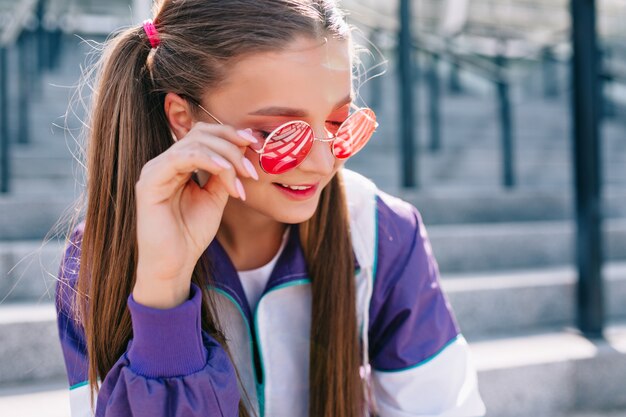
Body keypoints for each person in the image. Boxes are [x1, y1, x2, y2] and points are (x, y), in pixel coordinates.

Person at [54, 0, 486, 416]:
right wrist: (163, 290)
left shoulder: (381, 230)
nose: (322, 163)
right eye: (281, 133)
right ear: (183, 118)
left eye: (339, 124)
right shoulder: (102, 257)